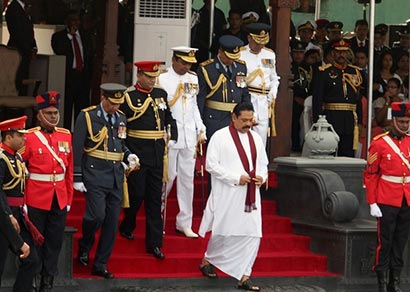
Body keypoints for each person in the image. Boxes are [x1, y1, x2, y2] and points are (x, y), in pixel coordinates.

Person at [198, 102, 268, 291]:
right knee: (224, 232)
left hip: (251, 195)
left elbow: (263, 164)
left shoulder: (256, 138)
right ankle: (207, 259)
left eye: (250, 120)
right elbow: (211, 165)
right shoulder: (220, 137)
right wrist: (236, 178)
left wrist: (262, 177)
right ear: (234, 118)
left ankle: (245, 275)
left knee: (254, 234)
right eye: (244, 120)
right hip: (227, 193)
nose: (248, 124)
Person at [73, 83, 139, 279]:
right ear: (103, 97)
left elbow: (120, 142)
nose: (115, 107)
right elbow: (78, 146)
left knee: (111, 223)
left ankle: (101, 263)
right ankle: (85, 244)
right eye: (112, 103)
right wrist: (77, 176)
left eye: (119, 104)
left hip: (116, 176)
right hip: (94, 173)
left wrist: (129, 156)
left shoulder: (121, 118)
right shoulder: (88, 116)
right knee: (96, 216)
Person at [118, 61, 178, 260]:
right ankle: (128, 224)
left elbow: (168, 116)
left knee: (154, 198)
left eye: (154, 77)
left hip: (157, 152)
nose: (152, 80)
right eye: (149, 77)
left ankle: (154, 243)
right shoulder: (128, 97)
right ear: (139, 75)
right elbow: (122, 125)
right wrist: (125, 152)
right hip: (137, 151)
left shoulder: (160, 94)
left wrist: (173, 132)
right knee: (136, 194)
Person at [21, 91, 73, 292]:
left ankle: (47, 281)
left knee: (55, 241)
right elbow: (19, 169)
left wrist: (68, 197)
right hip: (35, 197)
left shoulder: (65, 135)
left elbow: (68, 170)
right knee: (36, 241)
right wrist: (23, 200)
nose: (53, 116)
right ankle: (34, 277)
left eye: (55, 112)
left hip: (58, 197)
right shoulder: (29, 137)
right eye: (48, 113)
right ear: (39, 115)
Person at [157, 47, 206, 238]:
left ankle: (184, 222)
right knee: (167, 177)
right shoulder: (162, 78)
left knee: (188, 180)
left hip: (189, 135)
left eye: (189, 64)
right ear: (174, 60)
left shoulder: (192, 78)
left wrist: (200, 128)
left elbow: (193, 107)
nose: (186, 67)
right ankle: (158, 213)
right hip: (170, 135)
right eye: (183, 62)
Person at [364, 101, 410, 292]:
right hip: (386, 198)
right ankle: (382, 283)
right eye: (402, 121)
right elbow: (371, 174)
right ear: (393, 120)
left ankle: (395, 282)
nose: (405, 125)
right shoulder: (379, 143)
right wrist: (372, 201)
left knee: (401, 242)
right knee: (385, 242)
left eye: (408, 121)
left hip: (406, 198)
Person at [0, 116, 37, 291]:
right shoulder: (1, 158)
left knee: (31, 259)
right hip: (3, 216)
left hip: (18, 214)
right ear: (8, 137)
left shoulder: (18, 158)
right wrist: (8, 214)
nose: (24, 138)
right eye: (20, 135)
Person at [312, 39, 363, 157]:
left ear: (348, 53)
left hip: (350, 119)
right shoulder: (324, 72)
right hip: (331, 117)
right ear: (333, 53)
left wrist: (360, 121)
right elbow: (317, 99)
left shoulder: (355, 72)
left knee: (348, 152)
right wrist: (317, 121)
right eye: (338, 52)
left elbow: (358, 99)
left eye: (344, 52)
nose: (341, 55)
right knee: (329, 151)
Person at [197, 35, 251, 139]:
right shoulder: (207, 68)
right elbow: (201, 98)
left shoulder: (241, 66)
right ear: (220, 52)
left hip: (236, 118)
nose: (231, 61)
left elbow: (244, 92)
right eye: (229, 57)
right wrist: (199, 122)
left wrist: (248, 113)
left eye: (234, 58)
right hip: (214, 118)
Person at [51, 9, 94, 130]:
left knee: (82, 110)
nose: (76, 23)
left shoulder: (86, 36)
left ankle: (80, 137)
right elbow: (59, 51)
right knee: (66, 108)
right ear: (67, 22)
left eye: (77, 20)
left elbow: (89, 56)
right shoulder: (58, 37)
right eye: (73, 20)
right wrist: (70, 35)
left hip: (82, 77)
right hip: (68, 77)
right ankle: (64, 135)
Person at [239, 23, 280, 147]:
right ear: (249, 38)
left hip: (264, 102)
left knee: (260, 141)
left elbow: (274, 77)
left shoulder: (269, 54)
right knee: (245, 139)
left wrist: (273, 91)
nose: (260, 46)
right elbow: (239, 80)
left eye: (263, 42)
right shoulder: (241, 53)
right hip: (247, 98)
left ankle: (259, 166)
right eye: (257, 42)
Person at [5, 0, 37, 96]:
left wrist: (33, 47)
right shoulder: (13, 8)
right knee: (17, 83)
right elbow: (17, 33)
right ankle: (15, 110)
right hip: (17, 52)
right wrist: (28, 49)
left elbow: (29, 31)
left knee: (23, 83)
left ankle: (21, 109)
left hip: (24, 53)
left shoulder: (25, 9)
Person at [191, 0, 227, 67]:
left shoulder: (219, 13)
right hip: (201, 48)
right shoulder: (199, 13)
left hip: (216, 47)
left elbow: (223, 30)